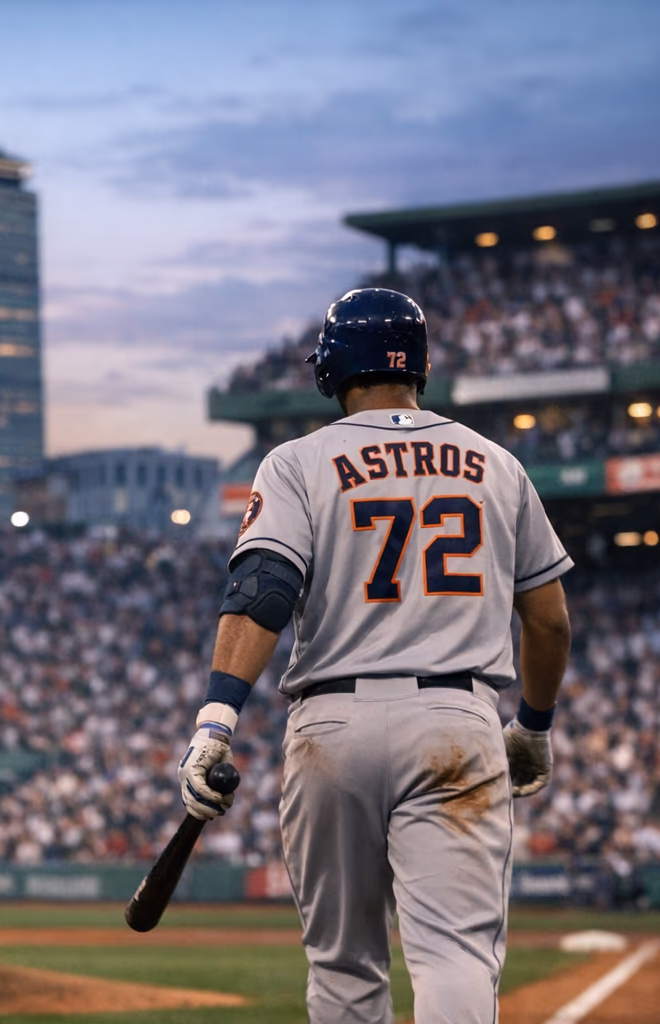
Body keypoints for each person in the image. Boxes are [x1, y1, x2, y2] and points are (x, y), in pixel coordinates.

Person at [177, 288, 572, 1024]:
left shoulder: (297, 462)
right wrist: (534, 727)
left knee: (344, 966)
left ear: (332, 367)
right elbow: (549, 623)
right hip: (457, 719)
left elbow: (262, 592)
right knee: (454, 954)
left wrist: (216, 722)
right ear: (419, 366)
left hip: (333, 726)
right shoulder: (497, 463)